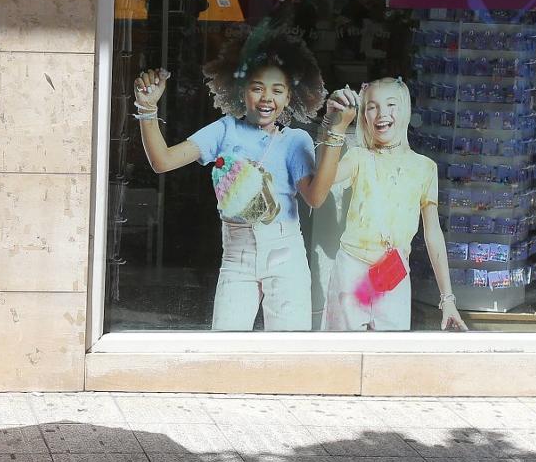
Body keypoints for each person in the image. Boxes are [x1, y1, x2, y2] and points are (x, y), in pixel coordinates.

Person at [134, 26, 347, 330]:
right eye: (257, 87)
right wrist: (147, 108)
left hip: (286, 254)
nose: (266, 98)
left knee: (288, 352)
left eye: (277, 90)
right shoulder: (223, 130)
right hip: (237, 254)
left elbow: (315, 197)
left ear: (289, 96)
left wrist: (336, 132)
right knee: (226, 344)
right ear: (241, 90)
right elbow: (162, 161)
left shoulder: (295, 141)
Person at [321, 78, 468, 331]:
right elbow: (325, 179)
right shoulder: (358, 156)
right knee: (344, 352)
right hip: (352, 267)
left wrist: (447, 299)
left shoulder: (425, 168)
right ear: (364, 116)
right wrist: (332, 125)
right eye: (372, 106)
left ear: (406, 110)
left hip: (393, 272)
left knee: (389, 354)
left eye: (391, 105)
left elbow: (433, 233)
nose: (382, 114)